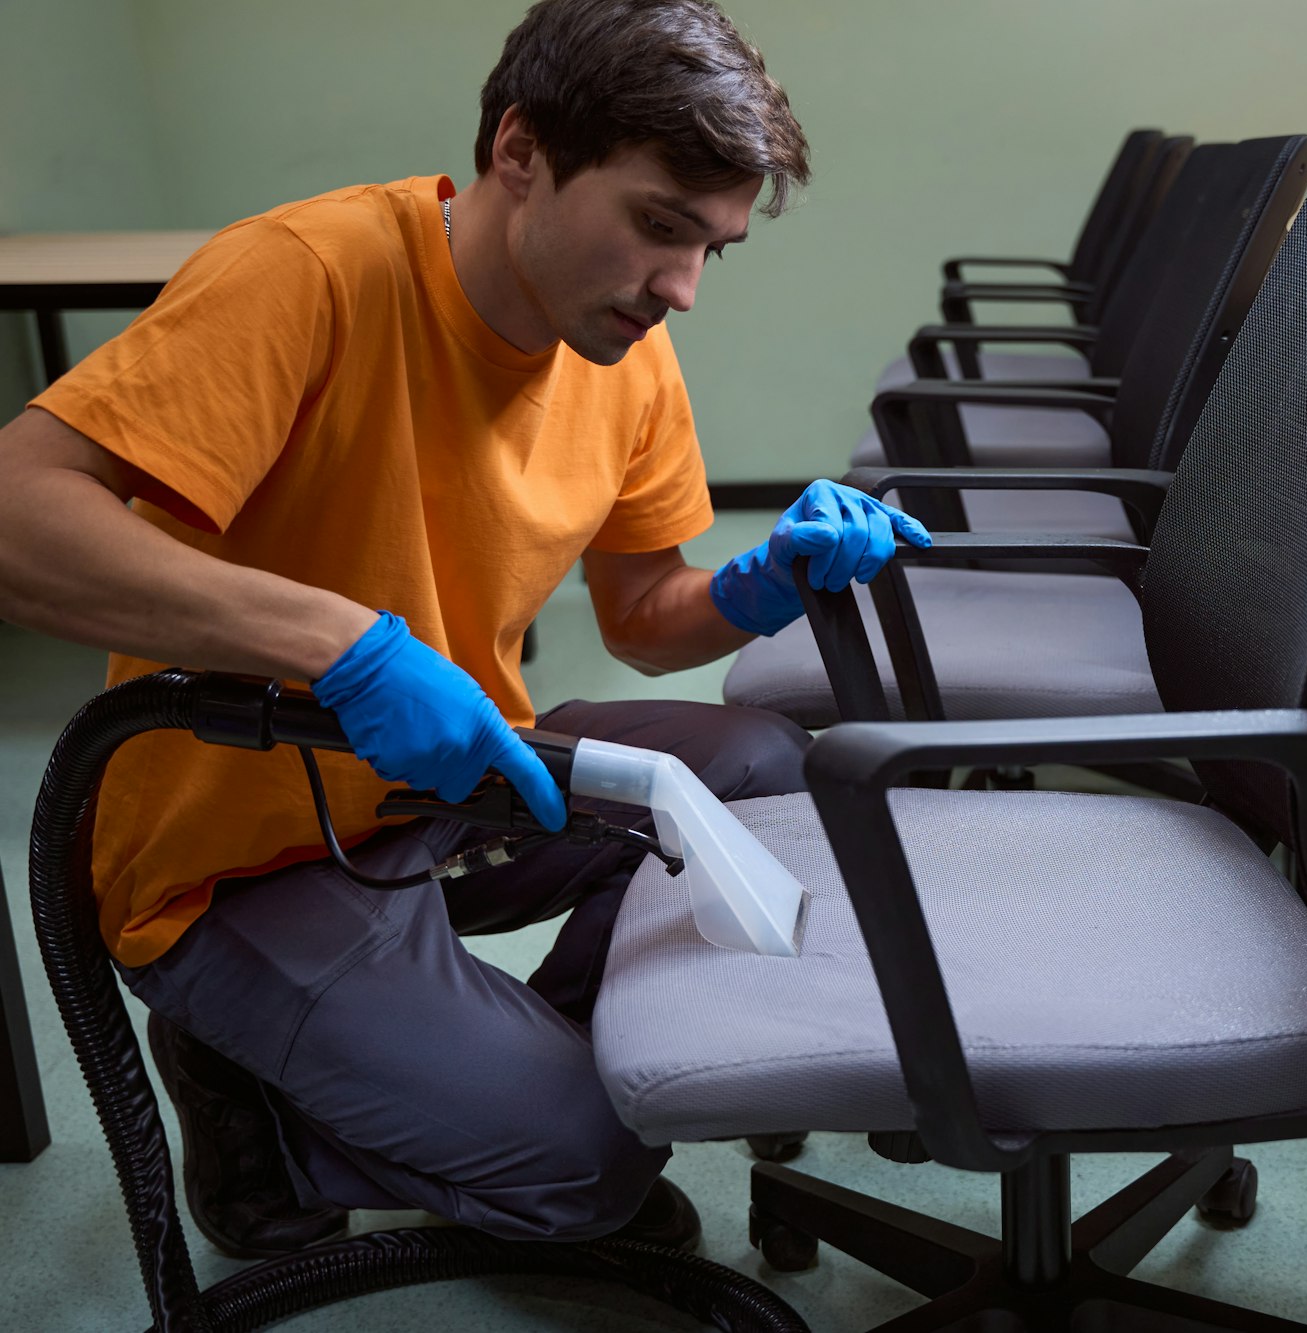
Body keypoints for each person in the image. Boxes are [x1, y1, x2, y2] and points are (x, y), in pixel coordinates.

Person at [0, 0, 927, 1258]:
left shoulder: (625, 347)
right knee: (593, 1170)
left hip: (448, 781)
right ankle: (265, 1099)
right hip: (244, 849)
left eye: (713, 249)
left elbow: (644, 621)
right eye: (661, 228)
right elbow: (17, 518)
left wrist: (762, 581)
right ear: (519, 150)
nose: (683, 290)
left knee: (759, 763)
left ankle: (480, 1070)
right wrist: (345, 645)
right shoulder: (311, 274)